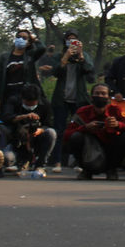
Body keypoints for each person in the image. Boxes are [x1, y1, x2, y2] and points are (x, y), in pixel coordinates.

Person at [64, 83, 125, 180]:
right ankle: (86, 170)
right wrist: (85, 128)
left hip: (111, 148)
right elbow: (67, 135)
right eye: (97, 93)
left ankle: (112, 170)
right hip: (90, 148)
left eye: (103, 93)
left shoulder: (116, 110)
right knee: (76, 137)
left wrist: (118, 125)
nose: (100, 96)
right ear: (91, 97)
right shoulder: (82, 112)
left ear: (109, 97)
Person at [51, 29, 95, 171]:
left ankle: (79, 161)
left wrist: (81, 55)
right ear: (65, 42)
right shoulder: (59, 56)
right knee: (59, 130)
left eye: (74, 39)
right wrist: (65, 57)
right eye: (69, 39)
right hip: (61, 99)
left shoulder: (84, 56)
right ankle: (57, 162)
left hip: (78, 99)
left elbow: (89, 71)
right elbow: (55, 72)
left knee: (80, 130)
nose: (71, 42)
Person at [0, 84, 56, 172]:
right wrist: (23, 117)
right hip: (16, 139)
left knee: (51, 133)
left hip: (36, 139)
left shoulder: (45, 104)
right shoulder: (14, 101)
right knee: (7, 158)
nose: (30, 106)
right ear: (22, 98)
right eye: (27, 103)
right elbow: (6, 118)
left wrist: (41, 130)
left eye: (33, 103)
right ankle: (16, 162)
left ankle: (40, 164)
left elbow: (49, 124)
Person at [0, 29, 46, 112]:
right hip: (8, 94)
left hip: (25, 94)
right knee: (8, 115)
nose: (20, 39)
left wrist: (34, 39)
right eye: (18, 37)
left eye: (24, 38)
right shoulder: (4, 57)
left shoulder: (30, 56)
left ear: (28, 42)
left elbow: (42, 48)